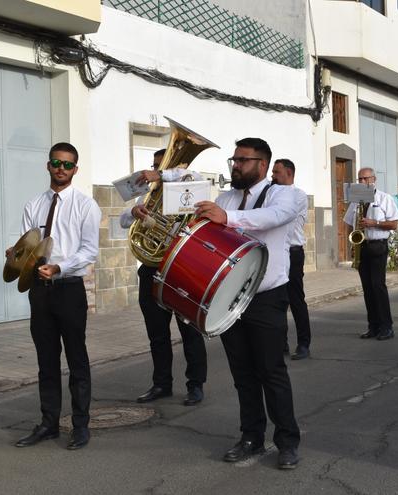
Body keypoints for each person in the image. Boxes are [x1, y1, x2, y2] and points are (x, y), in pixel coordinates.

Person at [193, 138, 302, 470]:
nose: (235, 165)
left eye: (243, 160)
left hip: (266, 297)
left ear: (262, 164)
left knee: (271, 371)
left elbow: (269, 218)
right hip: (228, 297)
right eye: (234, 159)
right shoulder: (226, 196)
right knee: (242, 373)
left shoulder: (286, 194)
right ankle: (251, 436)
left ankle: (287, 441)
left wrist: (226, 217)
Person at [9, 142, 101, 450]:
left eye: (67, 164)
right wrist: (17, 255)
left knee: (77, 359)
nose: (60, 169)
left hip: (69, 288)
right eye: (55, 163)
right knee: (46, 360)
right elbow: (28, 246)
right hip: (39, 291)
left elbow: (89, 250)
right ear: (48, 165)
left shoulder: (86, 205)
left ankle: (80, 425)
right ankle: (48, 424)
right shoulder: (33, 204)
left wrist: (60, 267)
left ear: (75, 169)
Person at [118, 148, 208, 406]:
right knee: (157, 333)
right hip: (151, 268)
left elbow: (193, 173)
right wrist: (134, 214)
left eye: (161, 166)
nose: (154, 171)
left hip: (179, 267)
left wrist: (159, 174)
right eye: (155, 165)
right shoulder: (150, 193)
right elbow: (124, 220)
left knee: (189, 330)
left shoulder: (190, 185)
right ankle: (161, 384)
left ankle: (195, 385)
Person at [343, 168, 398, 340]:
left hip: (378, 245)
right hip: (363, 246)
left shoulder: (384, 198)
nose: (362, 182)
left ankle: (387, 326)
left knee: (378, 286)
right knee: (367, 288)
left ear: (373, 179)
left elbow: (394, 224)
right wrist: (352, 243)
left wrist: (374, 223)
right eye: (359, 178)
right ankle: (373, 326)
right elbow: (348, 222)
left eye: (365, 178)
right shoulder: (355, 200)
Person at [271, 158, 312, 361]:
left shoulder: (298, 195)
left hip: (293, 251)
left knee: (296, 300)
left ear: (289, 173)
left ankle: (304, 343)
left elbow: (280, 216)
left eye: (276, 172)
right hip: (275, 251)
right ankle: (281, 343)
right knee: (277, 300)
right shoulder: (270, 193)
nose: (272, 176)